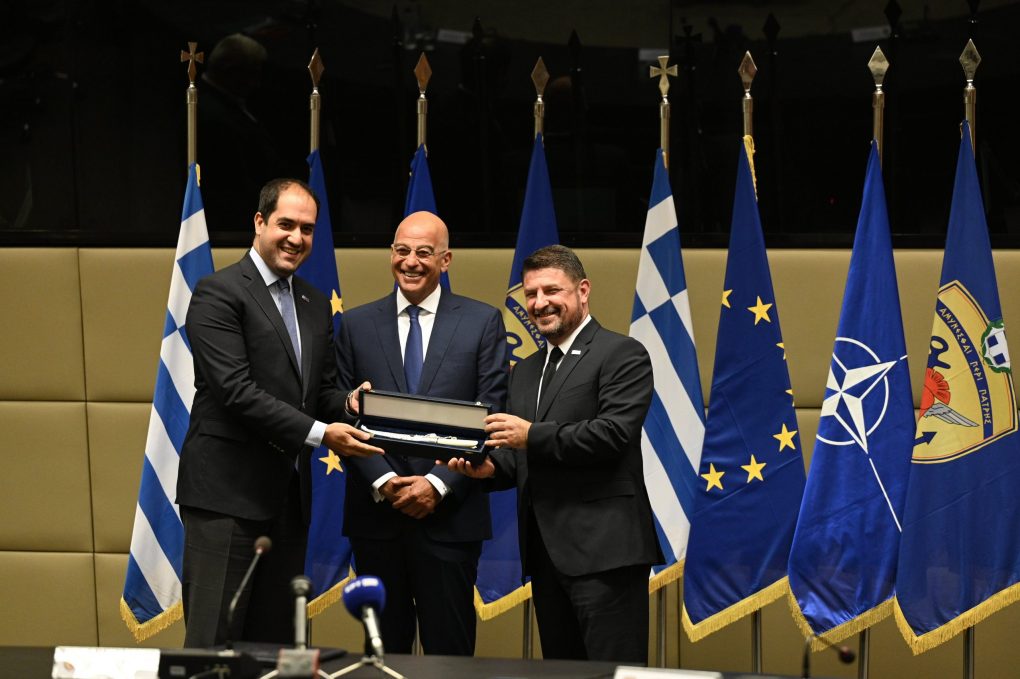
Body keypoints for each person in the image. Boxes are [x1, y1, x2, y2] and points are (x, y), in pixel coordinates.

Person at [177, 178, 383, 648]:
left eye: (307, 229)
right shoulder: (218, 292)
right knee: (214, 645)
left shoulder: (314, 304)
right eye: (286, 224)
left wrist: (348, 403)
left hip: (287, 504)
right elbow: (235, 392)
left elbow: (318, 392)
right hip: (225, 500)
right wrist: (322, 434)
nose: (296, 238)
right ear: (259, 222)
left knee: (275, 649)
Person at [447, 244, 661, 663]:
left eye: (551, 290)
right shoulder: (525, 371)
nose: (539, 303)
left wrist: (530, 435)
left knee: (613, 672)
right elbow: (522, 456)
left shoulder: (622, 353)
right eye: (531, 294)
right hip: (546, 557)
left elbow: (612, 435)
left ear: (583, 290)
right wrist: (489, 470)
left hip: (606, 556)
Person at [335, 210, 508, 655]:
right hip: (378, 519)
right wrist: (384, 481)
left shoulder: (482, 321)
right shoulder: (355, 324)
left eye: (424, 252)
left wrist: (437, 484)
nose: (410, 261)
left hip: (450, 519)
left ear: (445, 260)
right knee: (382, 655)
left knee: (449, 657)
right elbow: (343, 411)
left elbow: (491, 412)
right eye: (402, 250)